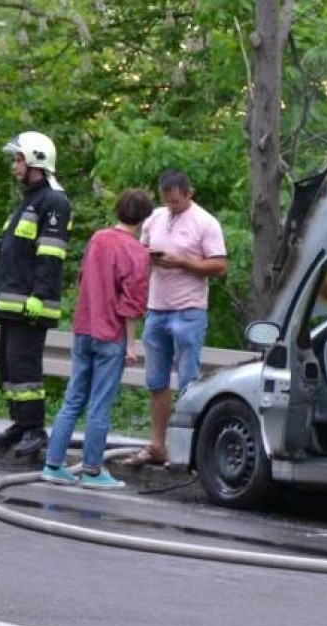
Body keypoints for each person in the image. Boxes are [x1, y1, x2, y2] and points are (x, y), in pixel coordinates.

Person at [40, 190, 153, 488]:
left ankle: (53, 465)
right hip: (110, 335)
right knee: (99, 405)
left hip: (83, 328)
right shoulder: (138, 252)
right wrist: (130, 344)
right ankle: (92, 471)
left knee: (73, 399)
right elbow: (132, 304)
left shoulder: (98, 238)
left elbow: (81, 280)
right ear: (144, 218)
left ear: (118, 210)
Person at [122, 168, 227, 467]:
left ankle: (187, 451)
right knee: (156, 382)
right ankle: (158, 445)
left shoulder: (205, 222)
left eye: (177, 202)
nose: (172, 207)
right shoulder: (155, 218)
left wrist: (182, 262)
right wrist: (148, 257)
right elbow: (139, 252)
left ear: (188, 193)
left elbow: (220, 265)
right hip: (157, 309)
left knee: (188, 382)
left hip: (188, 309)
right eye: (167, 202)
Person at [0, 131, 71, 457]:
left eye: (19, 159)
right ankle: (20, 424)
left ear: (36, 159)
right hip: (13, 300)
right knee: (8, 367)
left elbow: (51, 254)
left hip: (31, 304)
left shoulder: (54, 201)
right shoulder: (30, 200)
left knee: (25, 368)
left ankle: (35, 429)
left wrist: (40, 295)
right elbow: (19, 248)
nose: (15, 166)